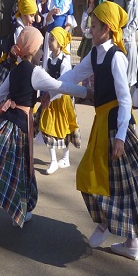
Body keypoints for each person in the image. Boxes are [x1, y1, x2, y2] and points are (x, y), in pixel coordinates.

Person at [59, 1, 138, 261]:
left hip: (117, 126)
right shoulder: (95, 53)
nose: (90, 27)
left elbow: (125, 99)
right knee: (100, 178)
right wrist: (48, 86)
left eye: (94, 24)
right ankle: (122, 235)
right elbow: (74, 75)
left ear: (108, 28)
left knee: (123, 184)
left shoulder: (116, 57)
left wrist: (121, 137)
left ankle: (115, 231)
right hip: (103, 123)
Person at [0, 27, 88, 249]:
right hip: (16, 130)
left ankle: (18, 211)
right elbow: (61, 86)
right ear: (33, 49)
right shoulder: (36, 72)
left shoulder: (16, 70)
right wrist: (86, 93)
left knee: (17, 173)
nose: (43, 52)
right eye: (40, 47)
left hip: (5, 126)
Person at [37, 27, 82, 174]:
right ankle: (54, 161)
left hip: (61, 100)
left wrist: (52, 95)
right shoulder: (49, 59)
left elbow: (65, 85)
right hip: (50, 99)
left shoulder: (64, 62)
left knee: (64, 129)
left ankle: (65, 157)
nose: (49, 42)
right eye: (49, 39)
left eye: (52, 39)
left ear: (60, 43)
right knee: (47, 128)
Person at [113, 0, 138, 88]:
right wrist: (118, 35)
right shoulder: (117, 1)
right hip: (118, 39)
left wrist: (124, 34)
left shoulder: (136, 4)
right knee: (118, 68)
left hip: (129, 39)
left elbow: (135, 23)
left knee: (130, 70)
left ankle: (128, 97)